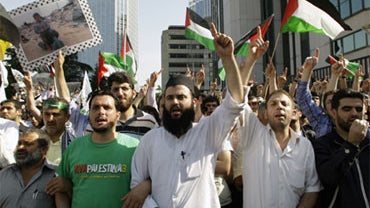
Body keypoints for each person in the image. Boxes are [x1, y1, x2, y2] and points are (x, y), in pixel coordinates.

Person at [125, 23, 245, 207]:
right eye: (170, 98)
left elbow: (235, 101)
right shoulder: (149, 141)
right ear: (163, 102)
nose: (175, 102)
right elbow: (136, 184)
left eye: (181, 97)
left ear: (194, 101)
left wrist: (228, 58)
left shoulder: (208, 132)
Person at [52, 90, 141, 207]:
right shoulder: (74, 147)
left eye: (107, 107)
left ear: (118, 115)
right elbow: (60, 189)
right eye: (95, 108)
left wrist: (146, 185)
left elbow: (151, 182)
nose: (101, 112)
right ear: (89, 114)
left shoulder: (135, 147)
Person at [313, 89, 369, 208]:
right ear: (333, 113)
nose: (354, 114)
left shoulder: (368, 143)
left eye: (359, 109)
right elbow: (328, 177)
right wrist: (351, 145)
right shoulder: (322, 144)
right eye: (347, 109)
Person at [0, 128, 56, 208]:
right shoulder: (3, 175)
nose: (21, 147)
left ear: (44, 150)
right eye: (19, 144)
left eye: (28, 144)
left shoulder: (55, 176)